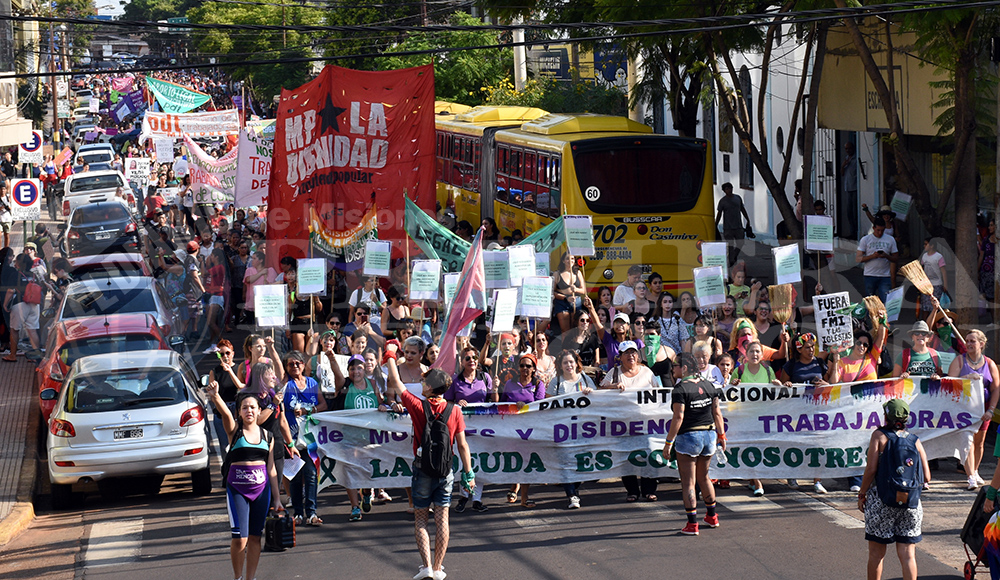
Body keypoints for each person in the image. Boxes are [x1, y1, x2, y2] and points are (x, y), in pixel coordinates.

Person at [382, 344, 475, 580]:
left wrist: (391, 354)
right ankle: (438, 567)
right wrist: (469, 473)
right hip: (446, 470)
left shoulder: (417, 406)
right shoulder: (455, 411)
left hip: (422, 469)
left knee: (421, 517)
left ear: (430, 387)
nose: (421, 385)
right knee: (442, 518)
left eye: (425, 382)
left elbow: (395, 380)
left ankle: (425, 567)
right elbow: (462, 445)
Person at [202, 387, 282, 580]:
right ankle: (238, 577)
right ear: (239, 411)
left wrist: (277, 498)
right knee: (240, 538)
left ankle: (250, 577)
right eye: (245, 408)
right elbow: (225, 413)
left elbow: (271, 469)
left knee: (255, 537)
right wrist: (216, 396)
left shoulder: (268, 436)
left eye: (253, 407)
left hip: (261, 492)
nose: (249, 411)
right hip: (237, 490)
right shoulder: (235, 431)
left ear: (259, 410)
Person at [857, 399, 930, 580]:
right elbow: (927, 477)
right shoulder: (915, 440)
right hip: (911, 503)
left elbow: (871, 469)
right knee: (908, 555)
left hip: (882, 502)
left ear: (886, 416)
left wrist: (862, 493)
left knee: (876, 554)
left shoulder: (879, 436)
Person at [663, 353, 726, 535]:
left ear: (684, 368)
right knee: (704, 477)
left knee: (688, 483)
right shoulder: (708, 385)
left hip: (689, 437)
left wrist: (668, 442)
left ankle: (692, 525)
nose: (672, 369)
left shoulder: (680, 389)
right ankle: (712, 517)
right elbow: (717, 413)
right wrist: (721, 436)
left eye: (675, 365)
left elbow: (678, 417)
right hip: (709, 435)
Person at [600, 341, 660, 502]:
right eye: (626, 353)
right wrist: (613, 387)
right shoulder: (614, 372)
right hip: (623, 425)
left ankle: (649, 489)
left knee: (649, 455)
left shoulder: (647, 372)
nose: (631, 356)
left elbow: (660, 393)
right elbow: (599, 392)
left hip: (647, 423)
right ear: (620, 357)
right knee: (627, 458)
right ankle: (632, 491)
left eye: (633, 352)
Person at [946, 330, 999, 491]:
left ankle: (975, 470)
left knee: (979, 442)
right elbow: (949, 382)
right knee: (968, 441)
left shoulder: (989, 363)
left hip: (983, 410)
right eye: (967, 341)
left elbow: (996, 388)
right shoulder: (959, 361)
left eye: (972, 341)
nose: (968, 344)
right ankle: (970, 476)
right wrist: (966, 379)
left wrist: (991, 410)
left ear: (981, 344)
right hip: (964, 410)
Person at [445, 345, 496, 513]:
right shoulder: (455, 380)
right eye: (467, 358)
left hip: (482, 428)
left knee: (479, 461)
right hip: (462, 429)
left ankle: (477, 498)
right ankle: (463, 496)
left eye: (474, 357)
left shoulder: (485, 377)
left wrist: (495, 388)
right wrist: (456, 404)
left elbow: (493, 401)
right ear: (461, 361)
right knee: (464, 461)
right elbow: (446, 403)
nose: (472, 360)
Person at [282, 351, 327, 525]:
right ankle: (298, 514)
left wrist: (309, 411)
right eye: (290, 364)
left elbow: (323, 404)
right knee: (294, 476)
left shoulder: (312, 383)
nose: (295, 367)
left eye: (297, 363)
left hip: (310, 438)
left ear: (303, 364)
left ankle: (312, 513)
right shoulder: (286, 386)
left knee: (310, 474)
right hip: (291, 438)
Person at [500, 353, 546, 507]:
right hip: (512, 428)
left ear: (534, 369)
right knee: (514, 458)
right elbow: (502, 405)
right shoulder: (509, 384)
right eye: (522, 365)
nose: (525, 368)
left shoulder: (539, 384)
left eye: (528, 366)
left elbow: (539, 405)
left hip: (530, 428)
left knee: (526, 460)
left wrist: (524, 407)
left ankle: (524, 497)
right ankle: (514, 485)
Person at [208, 339, 245, 460]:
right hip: (222, 411)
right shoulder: (214, 371)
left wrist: (229, 371)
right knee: (225, 447)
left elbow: (243, 387)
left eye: (228, 353)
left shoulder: (239, 368)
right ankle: (228, 474)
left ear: (233, 353)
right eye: (222, 354)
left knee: (241, 443)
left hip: (237, 409)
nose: (225, 356)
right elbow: (212, 395)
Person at [856, 222, 898, 303]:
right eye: (878, 230)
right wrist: (873, 256)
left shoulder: (890, 239)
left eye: (882, 230)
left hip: (885, 275)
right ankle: (870, 315)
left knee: (886, 300)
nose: (880, 233)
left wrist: (886, 256)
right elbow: (858, 259)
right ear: (873, 228)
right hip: (870, 274)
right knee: (871, 301)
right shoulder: (865, 239)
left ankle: (885, 315)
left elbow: (896, 258)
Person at [552, 252, 586, 334]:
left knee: (575, 329)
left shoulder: (578, 273)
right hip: (562, 303)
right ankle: (565, 347)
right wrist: (565, 298)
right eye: (567, 258)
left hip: (576, 302)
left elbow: (583, 290)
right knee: (565, 330)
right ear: (563, 261)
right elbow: (552, 292)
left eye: (572, 258)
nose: (570, 260)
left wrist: (576, 289)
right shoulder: (557, 274)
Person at [919, 238, 947, 314]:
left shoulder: (938, 256)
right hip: (926, 285)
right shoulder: (924, 256)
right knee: (925, 307)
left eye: (926, 244)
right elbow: (921, 269)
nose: (924, 246)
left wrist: (945, 284)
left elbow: (943, 271)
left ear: (932, 246)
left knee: (935, 307)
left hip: (937, 284)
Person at [980, 220, 996, 303]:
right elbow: (981, 256)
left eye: (992, 225)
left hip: (996, 273)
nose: (989, 227)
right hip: (986, 273)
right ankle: (994, 316)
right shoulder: (986, 240)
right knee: (990, 299)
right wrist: (977, 271)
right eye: (989, 225)